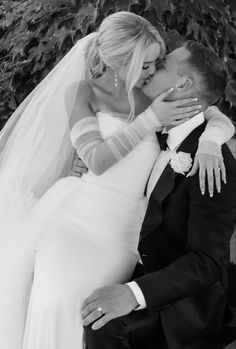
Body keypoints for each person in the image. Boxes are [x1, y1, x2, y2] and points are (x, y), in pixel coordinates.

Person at [0, 12, 233, 349]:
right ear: (126, 61)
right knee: (56, 300)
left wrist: (213, 139)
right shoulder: (90, 94)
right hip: (75, 217)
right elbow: (96, 159)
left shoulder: (154, 98)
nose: (152, 71)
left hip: (121, 231)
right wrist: (149, 120)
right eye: (149, 63)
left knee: (86, 309)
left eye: (158, 63)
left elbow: (210, 110)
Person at [81, 41, 236, 349]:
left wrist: (133, 294)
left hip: (180, 304)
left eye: (162, 65)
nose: (151, 69)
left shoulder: (212, 164)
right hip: (133, 253)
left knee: (102, 321)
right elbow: (214, 112)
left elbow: (207, 262)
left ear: (184, 83)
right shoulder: (157, 122)